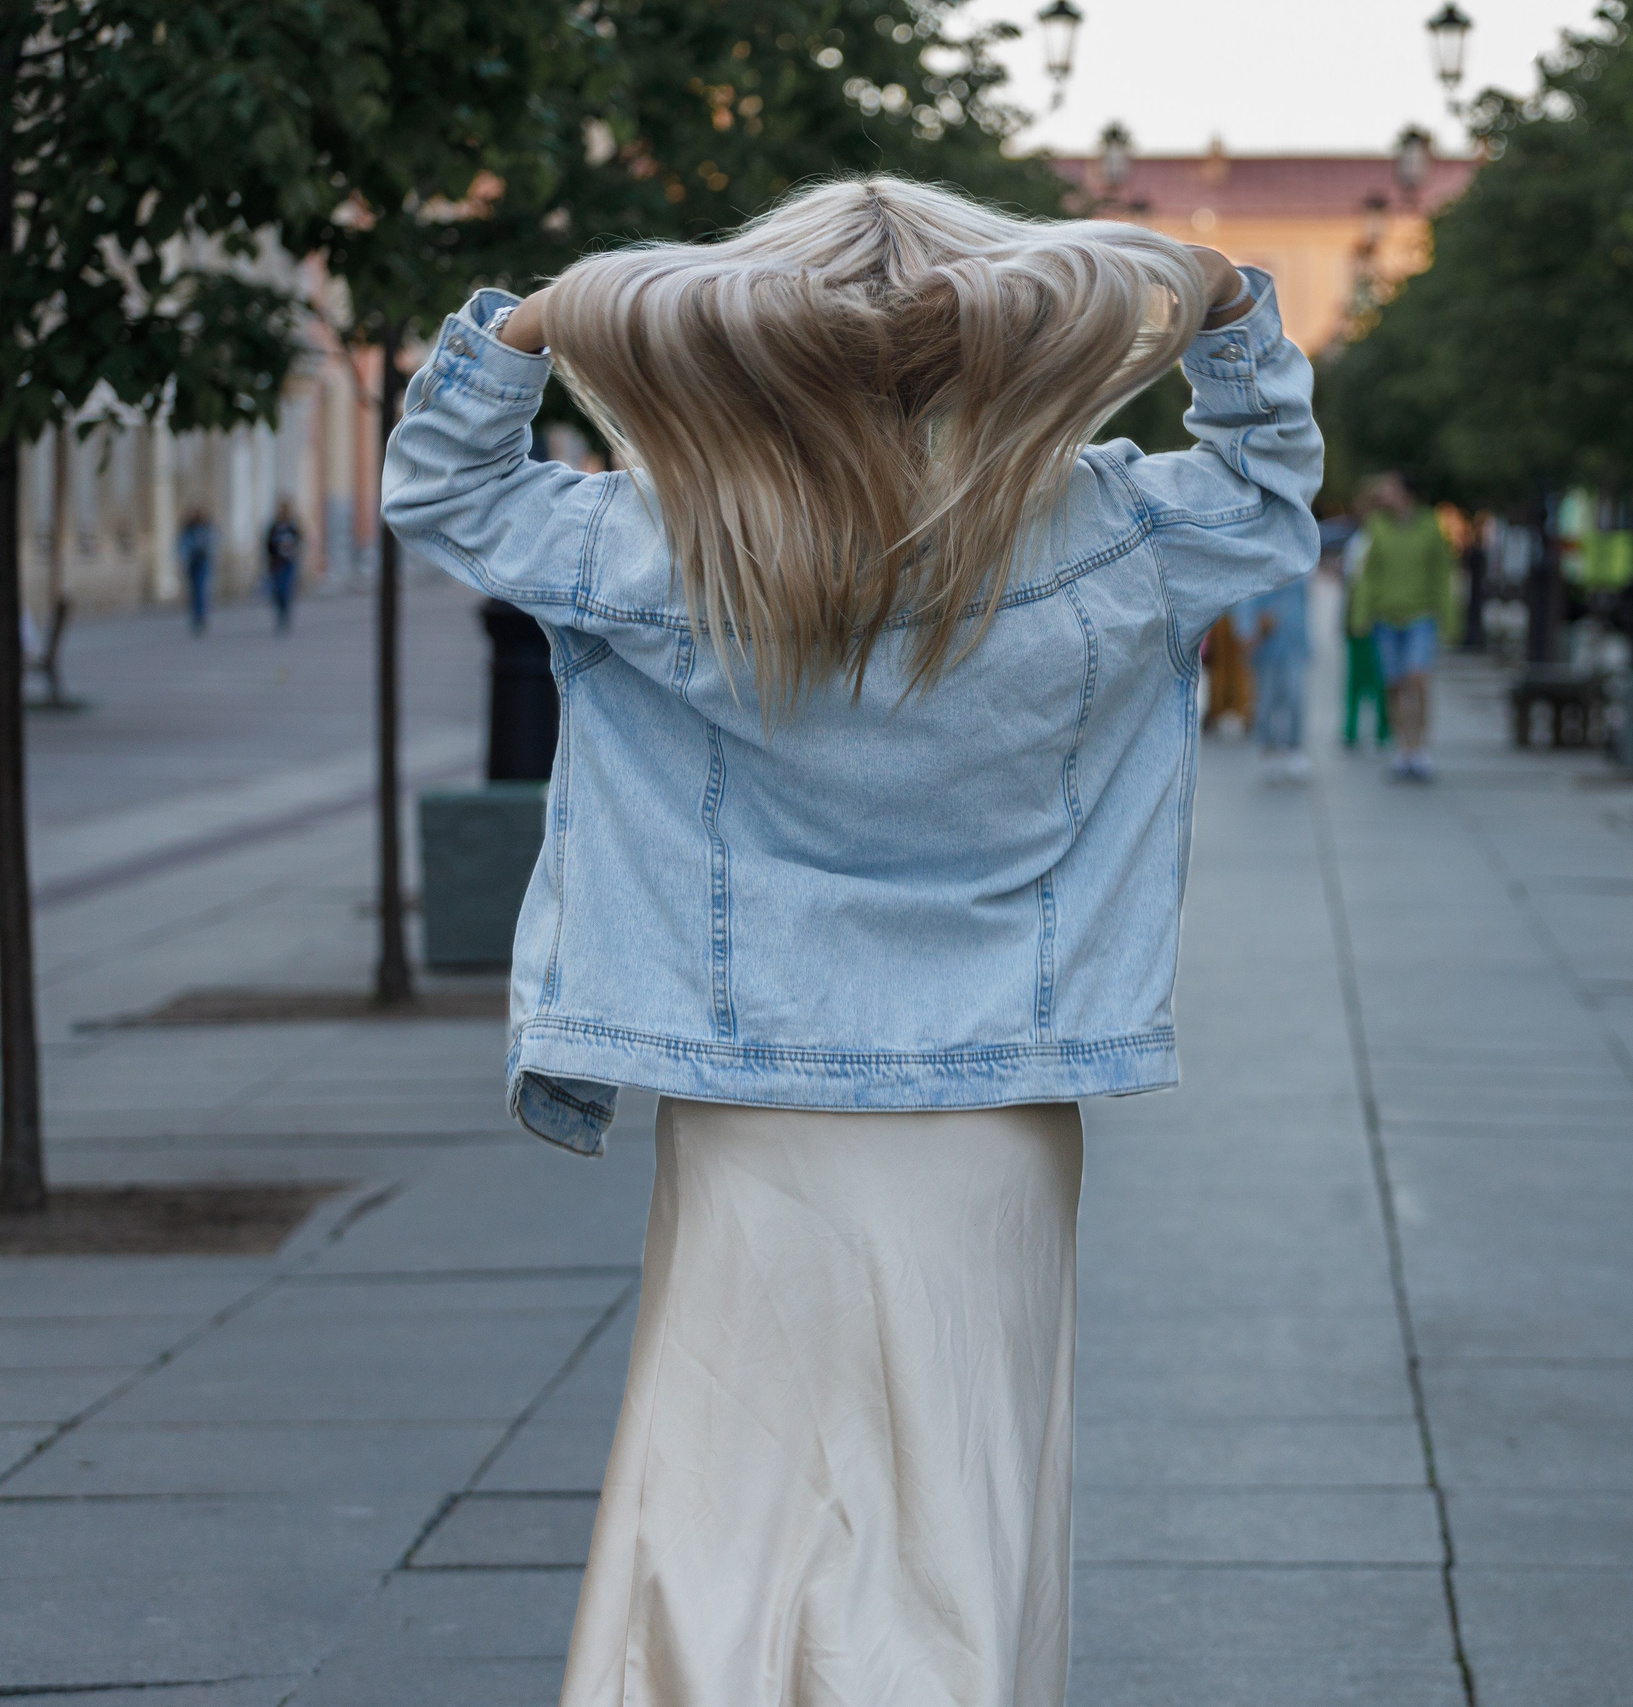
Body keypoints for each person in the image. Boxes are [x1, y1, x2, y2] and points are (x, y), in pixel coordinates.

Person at [381, 177, 1318, 1706]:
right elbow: (1272, 483)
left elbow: (447, 488)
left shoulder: (672, 541)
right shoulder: (1117, 528)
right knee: (961, 1489)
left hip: (752, 1093)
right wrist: (1216, 295)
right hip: (993, 1105)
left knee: (729, 1484)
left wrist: (551, 314)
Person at [1349, 470, 1458, 781]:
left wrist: (1448, 617)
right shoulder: (1377, 526)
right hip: (1385, 617)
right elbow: (1367, 574)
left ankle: (1420, 748)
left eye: (1391, 488)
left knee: (1417, 678)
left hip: (1419, 615)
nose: (1385, 494)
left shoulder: (1429, 526)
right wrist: (1361, 613)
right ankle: (1403, 748)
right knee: (1394, 683)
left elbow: (1442, 574)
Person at [1244, 566, 1313, 779]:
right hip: (1266, 643)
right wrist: (1248, 632)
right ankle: (1268, 750)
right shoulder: (1259, 559)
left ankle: (1293, 748)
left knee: (1294, 697)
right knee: (1265, 701)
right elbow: (1246, 602)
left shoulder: (1300, 563)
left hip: (1293, 642)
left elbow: (1302, 604)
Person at [1337, 505, 1391, 750]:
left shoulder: (1383, 540)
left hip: (1381, 617)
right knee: (1356, 679)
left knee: (1381, 678)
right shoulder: (1358, 542)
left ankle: (1382, 728)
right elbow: (1350, 584)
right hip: (1359, 619)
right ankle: (1353, 729)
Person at [262, 500, 302, 632]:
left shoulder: (292, 526)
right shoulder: (275, 526)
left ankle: (285, 614)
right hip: (277, 563)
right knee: (278, 590)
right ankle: (280, 614)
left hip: (289, 562)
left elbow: (299, 540)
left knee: (285, 589)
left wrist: (293, 551)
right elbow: (268, 544)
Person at [176, 508, 217, 634]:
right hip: (192, 563)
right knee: (194, 591)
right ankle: (196, 615)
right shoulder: (188, 530)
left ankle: (200, 615)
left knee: (200, 589)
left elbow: (214, 543)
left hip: (202, 562)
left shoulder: (206, 529)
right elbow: (181, 547)